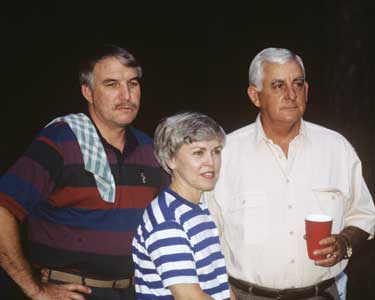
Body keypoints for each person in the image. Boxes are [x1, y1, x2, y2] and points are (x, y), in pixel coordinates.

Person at [0, 45, 168, 300]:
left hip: (137, 292)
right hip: (75, 292)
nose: (126, 95)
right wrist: (35, 289)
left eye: (132, 84)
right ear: (87, 92)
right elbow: (3, 209)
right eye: (112, 84)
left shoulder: (150, 149)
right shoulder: (61, 142)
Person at [206, 47, 375, 300]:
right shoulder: (225, 154)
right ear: (255, 95)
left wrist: (344, 243)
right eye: (277, 85)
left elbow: (364, 215)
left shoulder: (336, 148)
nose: (291, 94)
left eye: (297, 83)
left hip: (322, 294)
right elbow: (205, 236)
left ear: (306, 90)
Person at [132, 112, 234, 300]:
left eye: (216, 151)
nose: (211, 162)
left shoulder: (198, 207)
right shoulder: (167, 220)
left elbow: (220, 282)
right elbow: (190, 297)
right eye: (198, 153)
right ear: (171, 160)